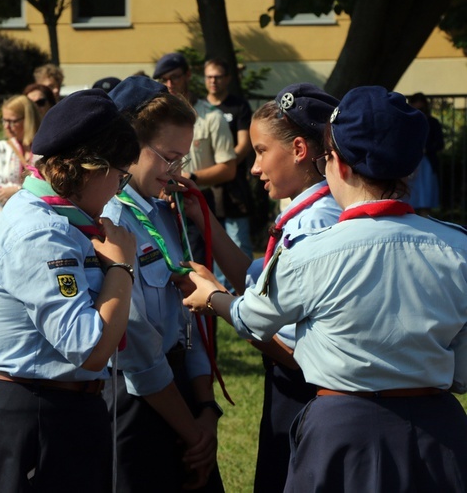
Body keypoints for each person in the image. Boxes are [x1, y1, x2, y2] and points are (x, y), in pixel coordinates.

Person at [184, 86, 467, 492]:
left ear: (339, 164)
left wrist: (213, 296)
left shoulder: (313, 251)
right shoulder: (457, 246)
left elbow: (252, 318)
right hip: (439, 428)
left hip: (344, 427)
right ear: (409, 170)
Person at [0, 89, 140, 493]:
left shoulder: (60, 221)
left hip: (55, 407)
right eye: (120, 175)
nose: (120, 189)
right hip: (28, 414)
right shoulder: (41, 232)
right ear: (91, 169)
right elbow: (90, 349)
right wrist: (121, 267)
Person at [176, 83, 341, 493]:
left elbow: (286, 344)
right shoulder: (305, 210)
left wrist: (217, 301)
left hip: (304, 388)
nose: (253, 167)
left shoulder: (315, 223)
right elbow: (258, 278)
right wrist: (203, 217)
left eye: (262, 151)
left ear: (300, 150)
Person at [104, 75, 224, 492]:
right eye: (169, 157)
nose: (177, 171)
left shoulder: (166, 213)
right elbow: (135, 345)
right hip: (136, 402)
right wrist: (191, 430)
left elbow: (190, 318)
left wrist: (205, 407)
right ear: (130, 147)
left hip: (182, 395)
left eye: (183, 160)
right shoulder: (112, 220)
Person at [153, 52, 236, 264]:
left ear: (188, 75)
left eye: (175, 77)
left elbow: (228, 168)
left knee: (197, 266)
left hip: (194, 199)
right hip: (159, 201)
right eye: (164, 80)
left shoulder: (212, 117)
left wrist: (193, 177)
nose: (169, 84)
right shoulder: (155, 118)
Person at [201, 59, 254, 262]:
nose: (213, 81)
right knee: (214, 247)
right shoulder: (199, 108)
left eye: (218, 76)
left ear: (227, 79)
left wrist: (224, 167)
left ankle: (247, 289)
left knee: (238, 243)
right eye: (209, 77)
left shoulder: (238, 106)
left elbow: (244, 144)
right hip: (206, 187)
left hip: (234, 186)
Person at [0, 94, 40, 220]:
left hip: (34, 218)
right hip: (3, 218)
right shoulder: (1, 149)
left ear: (28, 119)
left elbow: (49, 188)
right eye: (4, 120)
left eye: (12, 121)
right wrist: (32, 191)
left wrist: (16, 190)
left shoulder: (42, 151)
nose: (6, 126)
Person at [407, 92, 444, 216]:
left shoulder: (432, 122)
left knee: (425, 200)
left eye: (421, 109)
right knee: (408, 200)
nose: (418, 112)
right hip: (410, 164)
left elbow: (440, 144)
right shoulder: (406, 122)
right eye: (415, 109)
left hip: (426, 164)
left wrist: (426, 149)